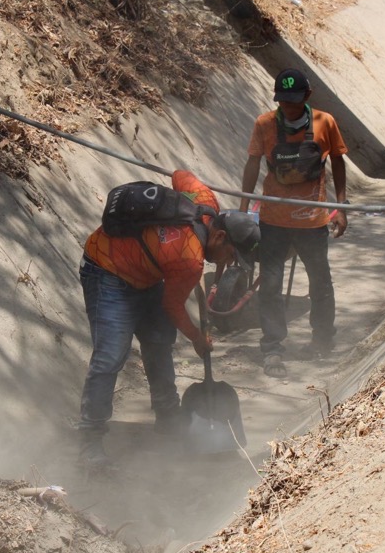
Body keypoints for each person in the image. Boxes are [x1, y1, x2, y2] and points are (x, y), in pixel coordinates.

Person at [77, 170, 260, 468]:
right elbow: (173, 306)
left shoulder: (206, 201)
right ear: (220, 236)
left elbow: (180, 175)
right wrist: (197, 338)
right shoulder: (189, 259)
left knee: (159, 340)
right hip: (106, 271)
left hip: (147, 276)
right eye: (231, 256)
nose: (229, 263)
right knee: (110, 356)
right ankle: (90, 440)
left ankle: (168, 418)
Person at [239, 68, 348, 379]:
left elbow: (338, 161)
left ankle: (322, 339)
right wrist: (244, 210)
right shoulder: (264, 124)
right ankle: (272, 347)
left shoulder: (325, 122)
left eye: (294, 101)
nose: (288, 106)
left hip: (312, 222)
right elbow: (252, 163)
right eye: (283, 101)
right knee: (270, 285)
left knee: (320, 283)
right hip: (273, 221)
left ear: (307, 96)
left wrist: (340, 208)